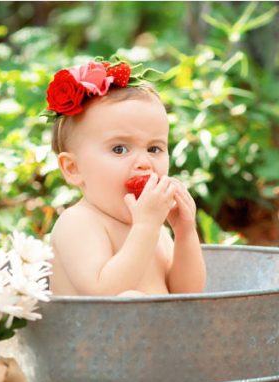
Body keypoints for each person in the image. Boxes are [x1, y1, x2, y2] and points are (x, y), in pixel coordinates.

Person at [45, 59, 206, 296]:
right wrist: (146, 227)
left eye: (154, 149)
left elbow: (187, 293)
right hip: (91, 333)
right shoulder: (78, 222)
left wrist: (185, 232)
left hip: (158, 332)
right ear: (73, 169)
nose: (144, 163)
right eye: (119, 149)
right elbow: (102, 295)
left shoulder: (154, 228)